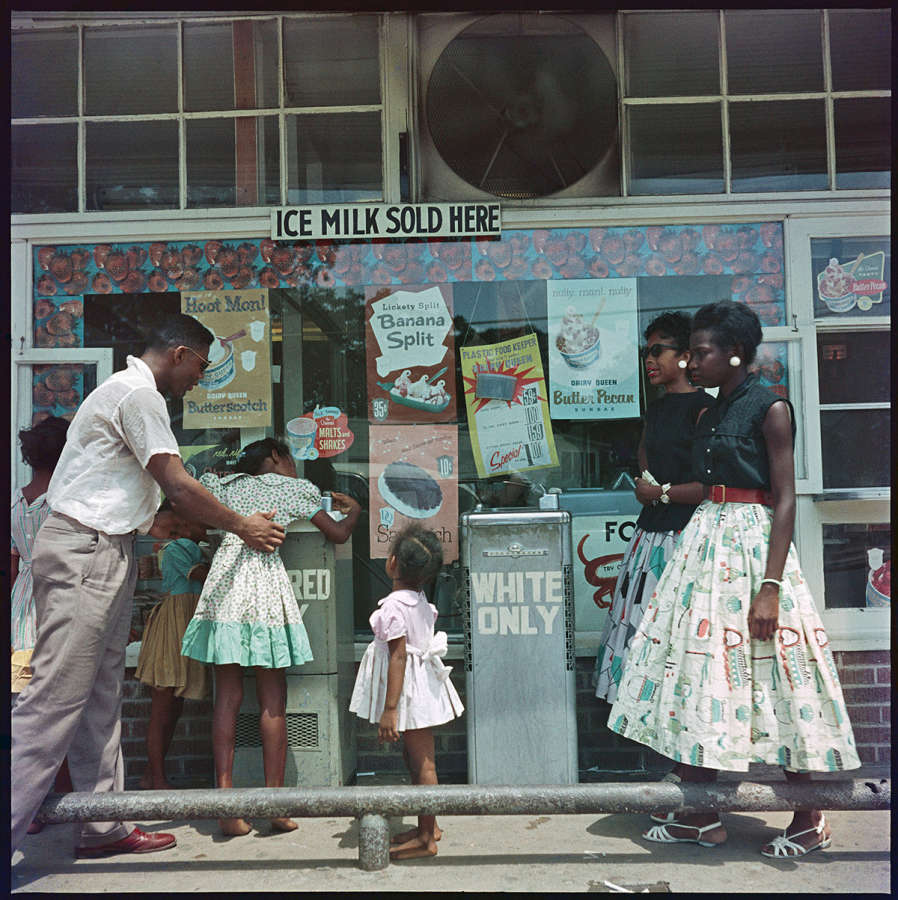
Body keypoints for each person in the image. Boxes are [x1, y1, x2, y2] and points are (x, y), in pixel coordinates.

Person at [11, 314, 287, 858]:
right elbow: (177, 485)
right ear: (180, 353)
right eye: (201, 368)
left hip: (104, 548)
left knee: (99, 697)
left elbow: (151, 502)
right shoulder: (138, 395)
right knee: (55, 699)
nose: (200, 381)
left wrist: (173, 524)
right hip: (86, 550)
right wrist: (242, 524)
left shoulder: (125, 393)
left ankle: (102, 824)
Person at [607, 300, 861, 858]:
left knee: (780, 674)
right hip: (705, 544)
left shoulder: (770, 408)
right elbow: (704, 484)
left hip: (752, 550)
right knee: (699, 673)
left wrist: (770, 586)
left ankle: (808, 817)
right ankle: (701, 813)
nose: (694, 362)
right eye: (691, 352)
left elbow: (785, 497)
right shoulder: (711, 412)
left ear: (736, 354)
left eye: (702, 353)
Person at [180, 438, 361, 837]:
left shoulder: (225, 486)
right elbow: (337, 534)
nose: (296, 467)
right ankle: (275, 807)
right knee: (272, 698)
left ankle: (226, 805)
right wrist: (356, 512)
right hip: (262, 587)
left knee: (227, 695)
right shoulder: (296, 490)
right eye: (291, 458)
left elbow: (187, 501)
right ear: (276, 457)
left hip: (224, 586)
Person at [595, 312, 709, 704]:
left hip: (687, 537)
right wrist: (648, 481)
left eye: (658, 350)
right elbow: (646, 453)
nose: (649, 359)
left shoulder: (704, 409)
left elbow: (713, 485)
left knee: (680, 636)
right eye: (647, 351)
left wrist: (659, 491)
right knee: (643, 631)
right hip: (650, 537)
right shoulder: (657, 409)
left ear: (685, 356)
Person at [349, 525, 464, 859]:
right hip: (420, 687)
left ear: (392, 563)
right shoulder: (419, 600)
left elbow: (397, 656)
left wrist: (390, 709)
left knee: (424, 763)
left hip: (409, 694)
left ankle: (427, 838)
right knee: (415, 760)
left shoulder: (393, 607)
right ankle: (429, 825)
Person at [11, 416, 74, 835]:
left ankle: (30, 806)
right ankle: (60, 799)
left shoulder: (15, 502)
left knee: (24, 703)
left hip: (22, 611)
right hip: (57, 604)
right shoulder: (65, 501)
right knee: (63, 708)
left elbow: (14, 562)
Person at [135, 506, 211, 790]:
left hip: (186, 627)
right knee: (163, 705)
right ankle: (157, 779)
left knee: (173, 707)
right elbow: (204, 576)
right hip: (172, 630)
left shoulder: (194, 548)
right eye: (201, 519)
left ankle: (148, 775)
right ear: (184, 522)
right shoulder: (177, 547)